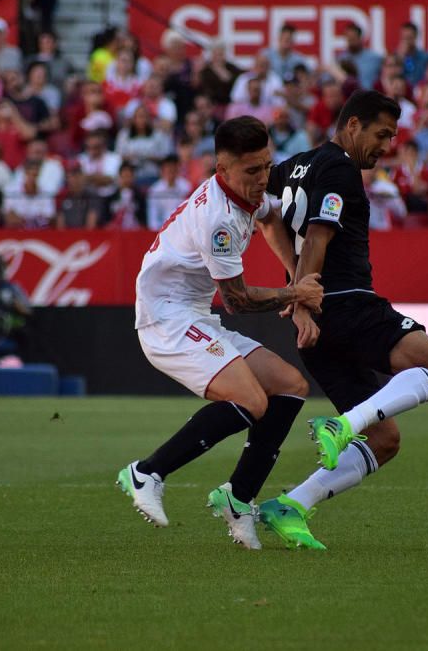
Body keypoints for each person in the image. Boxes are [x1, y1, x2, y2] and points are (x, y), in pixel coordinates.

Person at [260, 90, 428, 550]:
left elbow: (268, 223)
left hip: (318, 330)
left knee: (385, 438)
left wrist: (297, 293)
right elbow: (317, 235)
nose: (387, 144)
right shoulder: (340, 169)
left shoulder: (289, 168)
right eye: (381, 133)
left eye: (392, 136)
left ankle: (292, 504)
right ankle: (343, 425)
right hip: (348, 305)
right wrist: (306, 302)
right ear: (352, 125)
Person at [117, 116, 323, 550]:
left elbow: (270, 220)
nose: (263, 178)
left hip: (193, 314)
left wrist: (294, 285)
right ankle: (147, 471)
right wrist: (295, 291)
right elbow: (238, 301)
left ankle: (238, 498)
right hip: (166, 319)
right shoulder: (219, 220)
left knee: (291, 385)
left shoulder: (245, 197)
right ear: (222, 169)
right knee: (250, 400)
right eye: (252, 171)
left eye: (267, 166)